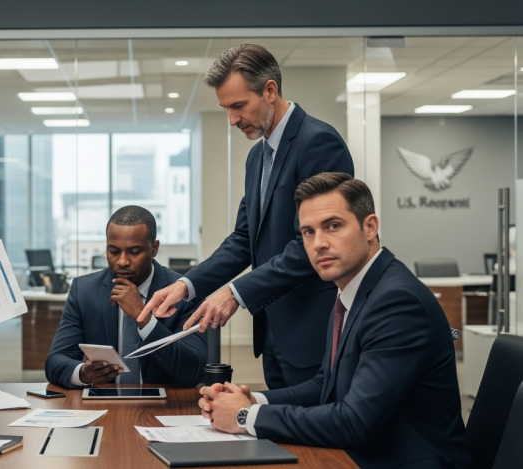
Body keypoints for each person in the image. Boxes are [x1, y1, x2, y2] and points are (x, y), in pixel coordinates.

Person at [198, 173, 470, 469]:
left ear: (370, 227)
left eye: (333, 226)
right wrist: (251, 400)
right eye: (308, 232)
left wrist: (245, 417)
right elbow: (324, 384)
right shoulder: (350, 291)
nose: (318, 244)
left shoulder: (398, 303)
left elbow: (355, 423)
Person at [140, 44, 354, 389]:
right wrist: (185, 285)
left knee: (314, 438)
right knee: (280, 435)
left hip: (312, 331)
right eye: (226, 108)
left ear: (270, 90)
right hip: (273, 331)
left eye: (239, 106)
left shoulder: (318, 143)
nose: (232, 120)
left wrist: (236, 293)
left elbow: (315, 245)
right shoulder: (257, 158)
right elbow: (243, 240)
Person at [46, 206, 207, 388]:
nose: (122, 261)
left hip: (164, 406)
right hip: (105, 405)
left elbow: (194, 371)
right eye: (113, 251)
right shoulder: (84, 291)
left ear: (154, 248)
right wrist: (83, 373)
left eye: (134, 252)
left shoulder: (183, 292)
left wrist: (144, 318)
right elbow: (54, 362)